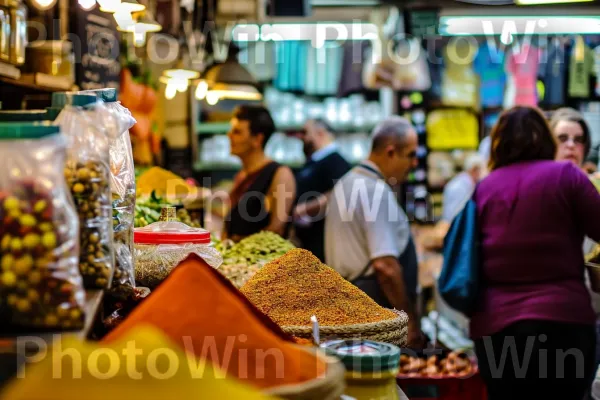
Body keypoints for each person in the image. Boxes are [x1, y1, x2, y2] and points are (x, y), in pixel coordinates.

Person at [471, 106, 600, 400]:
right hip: (563, 326)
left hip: (497, 330)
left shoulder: (485, 188)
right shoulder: (567, 176)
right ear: (546, 139)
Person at [325, 116, 422, 347]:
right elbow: (385, 267)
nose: (414, 163)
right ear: (390, 152)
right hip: (375, 314)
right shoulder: (374, 191)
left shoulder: (346, 182)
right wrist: (409, 323)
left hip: (351, 312)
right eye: (410, 154)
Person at [223, 104, 296, 242]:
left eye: (237, 132)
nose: (229, 136)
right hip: (238, 260)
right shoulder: (241, 176)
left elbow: (277, 229)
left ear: (257, 139)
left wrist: (239, 244)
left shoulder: (280, 174)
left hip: (265, 261)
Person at [293, 119, 351, 261]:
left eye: (305, 132)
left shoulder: (335, 161)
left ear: (320, 133)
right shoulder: (315, 161)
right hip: (310, 243)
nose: (301, 137)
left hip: (324, 244)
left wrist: (304, 209)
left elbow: (339, 194)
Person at [441, 154, 485, 223]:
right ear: (474, 169)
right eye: (482, 169)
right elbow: (454, 216)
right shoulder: (458, 187)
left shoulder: (468, 183)